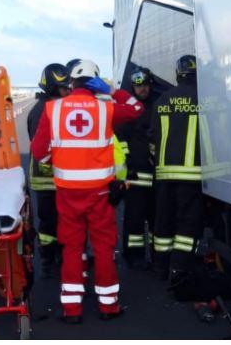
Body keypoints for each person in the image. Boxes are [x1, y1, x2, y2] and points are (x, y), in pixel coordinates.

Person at [31, 59, 143, 323]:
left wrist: (54, 163)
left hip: (67, 193)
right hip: (100, 194)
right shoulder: (106, 109)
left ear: (71, 82)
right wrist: (112, 90)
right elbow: (136, 108)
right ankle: (108, 307)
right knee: (103, 249)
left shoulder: (52, 109)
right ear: (94, 82)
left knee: (71, 248)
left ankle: (71, 310)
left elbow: (38, 152)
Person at [150, 55, 203, 283]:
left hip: (164, 175)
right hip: (193, 176)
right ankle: (180, 269)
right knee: (187, 223)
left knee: (163, 221)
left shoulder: (162, 100)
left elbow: (152, 138)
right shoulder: (205, 99)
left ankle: (160, 267)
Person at [27, 63, 71, 277]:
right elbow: (41, 147)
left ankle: (53, 258)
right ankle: (48, 260)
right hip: (47, 177)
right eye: (64, 88)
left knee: (56, 220)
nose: (67, 91)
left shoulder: (46, 107)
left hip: (52, 176)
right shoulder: (43, 111)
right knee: (49, 222)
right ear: (53, 88)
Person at [116, 67, 158, 270]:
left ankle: (157, 257)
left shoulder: (156, 106)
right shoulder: (127, 111)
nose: (143, 89)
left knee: (155, 219)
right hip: (135, 174)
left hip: (155, 174)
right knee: (134, 220)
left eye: (145, 85)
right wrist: (127, 165)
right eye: (138, 85)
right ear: (132, 86)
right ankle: (134, 256)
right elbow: (120, 141)